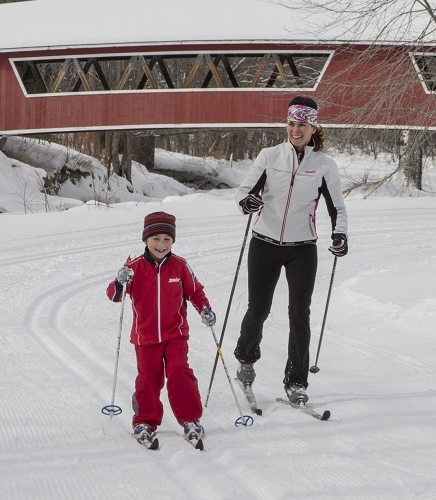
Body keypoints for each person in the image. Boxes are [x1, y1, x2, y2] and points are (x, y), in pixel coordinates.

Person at [233, 95, 348, 406]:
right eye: (291, 123)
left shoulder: (323, 165)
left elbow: (336, 206)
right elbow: (244, 193)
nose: (295, 130)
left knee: (299, 313)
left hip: (302, 248)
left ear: (313, 127)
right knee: (258, 309)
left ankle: (296, 381)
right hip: (264, 243)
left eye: (302, 124)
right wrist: (249, 203)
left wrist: (340, 235)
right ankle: (245, 359)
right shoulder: (270, 156)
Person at [106, 211, 216, 447]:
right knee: (148, 379)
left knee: (179, 373)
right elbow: (115, 295)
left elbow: (195, 291)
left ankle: (190, 419)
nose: (161, 244)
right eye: (156, 238)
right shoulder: (134, 267)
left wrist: (204, 309)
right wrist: (120, 280)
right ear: (145, 239)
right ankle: (145, 420)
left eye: (167, 239)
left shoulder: (180, 266)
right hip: (145, 337)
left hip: (175, 334)